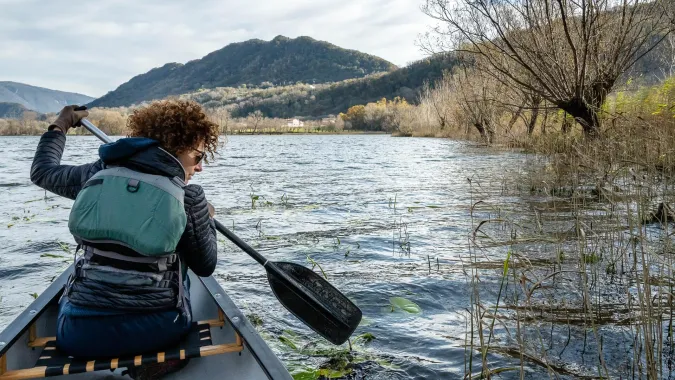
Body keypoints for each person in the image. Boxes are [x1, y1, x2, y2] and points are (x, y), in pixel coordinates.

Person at [30, 100, 219, 366]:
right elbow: (206, 265)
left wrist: (59, 125)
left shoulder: (99, 173)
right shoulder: (189, 197)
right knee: (183, 269)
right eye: (198, 157)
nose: (200, 167)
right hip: (160, 332)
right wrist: (205, 218)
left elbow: (42, 172)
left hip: (78, 334)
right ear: (178, 149)